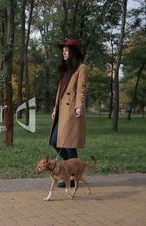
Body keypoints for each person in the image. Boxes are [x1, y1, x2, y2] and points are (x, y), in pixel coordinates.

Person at [49, 38, 89, 188]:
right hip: (61, 111)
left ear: (73, 53)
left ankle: (72, 177)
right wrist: (55, 109)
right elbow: (60, 92)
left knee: (69, 145)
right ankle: (72, 170)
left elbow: (81, 89)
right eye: (63, 51)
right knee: (54, 141)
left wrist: (79, 106)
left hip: (72, 111)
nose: (64, 53)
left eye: (66, 51)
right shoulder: (66, 70)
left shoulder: (82, 68)